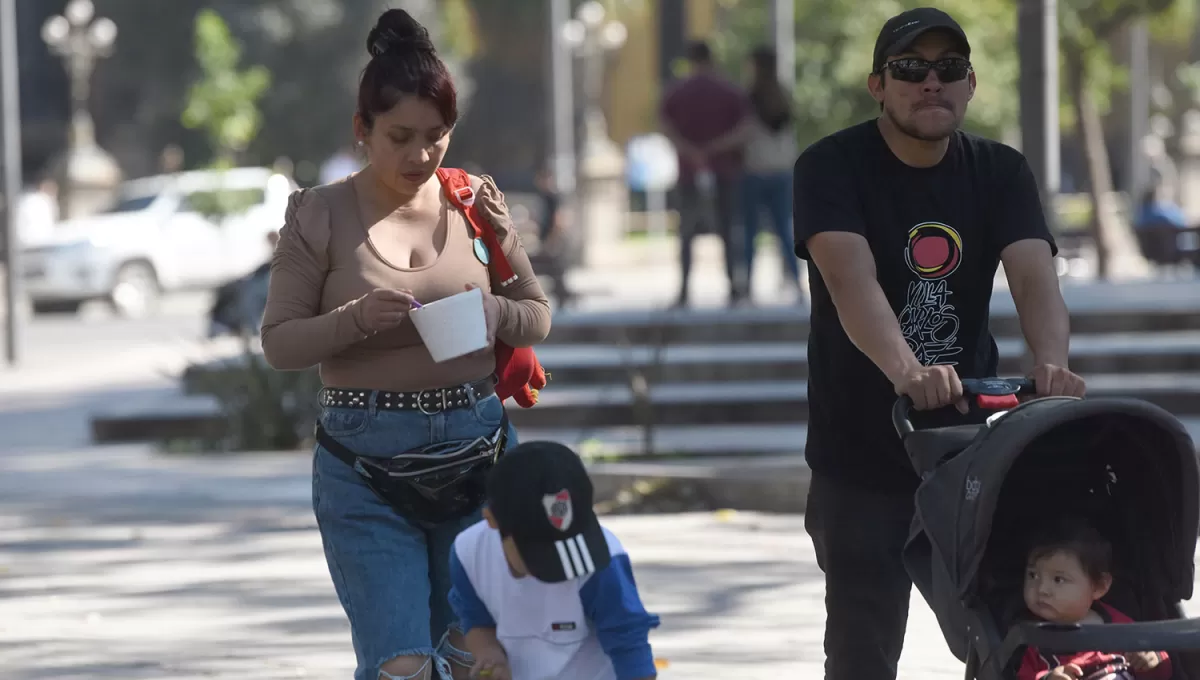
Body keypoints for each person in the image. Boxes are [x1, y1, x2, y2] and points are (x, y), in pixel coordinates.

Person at [791, 8, 1088, 679]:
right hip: (859, 451)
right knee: (863, 645)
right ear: (878, 84)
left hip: (970, 448)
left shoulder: (999, 171)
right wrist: (908, 370)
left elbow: (1036, 281)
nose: (931, 83)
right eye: (911, 69)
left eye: (948, 69)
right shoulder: (831, 167)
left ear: (971, 84)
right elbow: (849, 281)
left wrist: (1053, 367)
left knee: (1007, 631)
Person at [260, 10, 551, 680]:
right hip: (365, 462)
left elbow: (536, 317)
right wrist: (358, 318)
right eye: (400, 137)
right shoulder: (319, 214)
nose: (421, 155)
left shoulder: (473, 201)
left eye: (436, 136)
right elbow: (279, 343)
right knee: (403, 664)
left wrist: (494, 310)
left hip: (477, 448)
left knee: (472, 657)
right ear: (361, 131)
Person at [447, 441, 661, 680]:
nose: (559, 561)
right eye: (540, 550)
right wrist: (490, 654)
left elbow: (630, 648)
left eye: (567, 540)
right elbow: (477, 619)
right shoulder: (470, 554)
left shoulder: (601, 564)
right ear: (492, 521)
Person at [1017, 517, 1171, 680]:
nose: (1042, 589)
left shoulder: (1119, 626)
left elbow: (1160, 673)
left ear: (1099, 587)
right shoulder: (1028, 637)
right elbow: (1020, 675)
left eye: (1058, 579)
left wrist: (1152, 660)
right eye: (1033, 575)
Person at [659, 40, 752, 307]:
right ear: (712, 60)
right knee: (727, 229)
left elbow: (665, 126)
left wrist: (690, 150)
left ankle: (684, 290)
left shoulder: (677, 91)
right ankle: (734, 286)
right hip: (724, 169)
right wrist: (715, 148)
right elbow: (745, 128)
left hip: (688, 170)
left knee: (686, 232)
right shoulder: (729, 91)